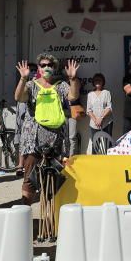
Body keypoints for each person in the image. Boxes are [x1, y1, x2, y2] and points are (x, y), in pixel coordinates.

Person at [14, 55, 81, 202]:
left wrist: (73, 79)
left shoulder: (60, 85)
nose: (46, 68)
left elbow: (72, 96)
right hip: (33, 140)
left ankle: (50, 218)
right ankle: (25, 212)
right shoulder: (31, 85)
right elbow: (19, 97)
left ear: (54, 67)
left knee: (52, 179)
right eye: (43, 65)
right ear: (38, 68)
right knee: (30, 178)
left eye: (50, 65)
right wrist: (23, 79)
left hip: (56, 141)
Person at [86, 73, 114, 140]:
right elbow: (88, 110)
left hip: (107, 122)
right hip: (94, 123)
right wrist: (96, 120)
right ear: (93, 82)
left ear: (103, 81)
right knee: (95, 145)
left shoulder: (107, 93)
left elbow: (109, 108)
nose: (97, 81)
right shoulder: (90, 94)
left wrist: (101, 118)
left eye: (99, 80)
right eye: (96, 80)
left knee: (108, 143)